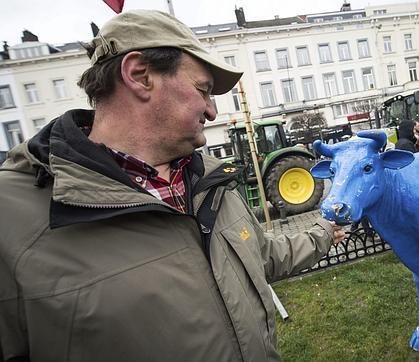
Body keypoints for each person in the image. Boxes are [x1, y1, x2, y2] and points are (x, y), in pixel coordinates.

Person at [0, 10, 345, 361]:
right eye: (203, 90)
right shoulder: (11, 216)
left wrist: (324, 232)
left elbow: (264, 256)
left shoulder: (212, 183)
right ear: (140, 75)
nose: (212, 112)